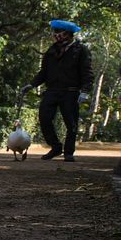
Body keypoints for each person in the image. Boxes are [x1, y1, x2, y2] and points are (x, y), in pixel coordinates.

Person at [20, 19, 93, 162]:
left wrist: (85, 91)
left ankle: (68, 152)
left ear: (68, 34)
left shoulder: (81, 50)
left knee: (71, 124)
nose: (57, 35)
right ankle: (56, 146)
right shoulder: (52, 50)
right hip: (52, 90)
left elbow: (87, 72)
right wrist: (32, 84)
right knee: (44, 118)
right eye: (55, 32)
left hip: (71, 91)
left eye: (59, 32)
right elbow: (44, 72)